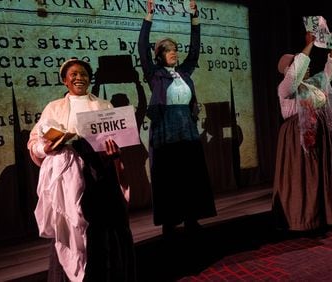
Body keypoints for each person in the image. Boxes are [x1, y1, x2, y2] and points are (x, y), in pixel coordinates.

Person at [27, 58, 136, 281]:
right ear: (65, 80)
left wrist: (113, 152)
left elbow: (115, 137)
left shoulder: (104, 106)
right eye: (74, 74)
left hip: (100, 172)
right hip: (68, 175)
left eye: (84, 73)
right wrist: (46, 147)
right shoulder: (54, 107)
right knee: (73, 227)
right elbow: (35, 143)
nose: (79, 77)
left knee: (102, 226)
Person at [138, 0, 217, 235]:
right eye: (168, 50)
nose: (173, 52)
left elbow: (195, 49)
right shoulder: (154, 74)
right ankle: (170, 221)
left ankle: (192, 217)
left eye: (174, 49)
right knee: (169, 175)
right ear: (160, 56)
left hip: (186, 125)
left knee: (190, 173)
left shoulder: (184, 71)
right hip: (166, 126)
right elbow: (142, 47)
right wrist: (148, 16)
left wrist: (194, 17)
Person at [272, 31, 332, 235]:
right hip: (297, 135)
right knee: (303, 176)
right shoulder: (286, 88)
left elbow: (330, 69)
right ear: (289, 70)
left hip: (320, 132)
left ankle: (325, 215)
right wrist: (310, 44)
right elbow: (296, 73)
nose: (306, 66)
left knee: (320, 173)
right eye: (299, 64)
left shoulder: (314, 84)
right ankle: (303, 219)